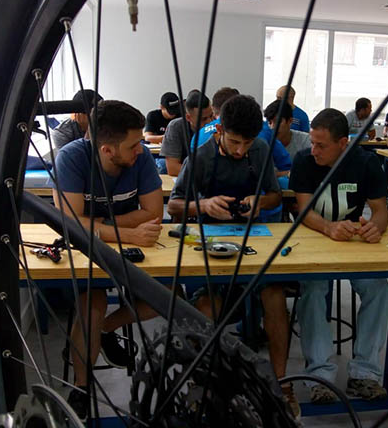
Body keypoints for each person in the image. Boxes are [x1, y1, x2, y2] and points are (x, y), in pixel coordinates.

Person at [167, 95, 299, 417]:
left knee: (274, 295)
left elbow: (274, 194)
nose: (241, 151)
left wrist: (260, 202)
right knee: (205, 308)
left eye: (248, 143)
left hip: (253, 240)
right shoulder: (200, 157)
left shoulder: (261, 150)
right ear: (219, 130)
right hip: (210, 247)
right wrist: (204, 206)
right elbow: (174, 205)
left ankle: (280, 384)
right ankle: (205, 386)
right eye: (235, 142)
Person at [52, 100, 164, 419]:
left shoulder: (138, 158)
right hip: (87, 253)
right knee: (91, 305)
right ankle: (81, 387)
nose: (140, 150)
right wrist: (127, 230)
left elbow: (154, 214)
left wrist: (95, 226)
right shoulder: (72, 157)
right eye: (133, 144)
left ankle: (105, 329)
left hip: (129, 251)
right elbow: (70, 224)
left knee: (165, 298)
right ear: (106, 150)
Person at [289, 108, 388, 404]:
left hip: (353, 242)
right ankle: (320, 376)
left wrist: (375, 229)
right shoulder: (304, 161)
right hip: (316, 241)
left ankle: (365, 374)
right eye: (312, 142)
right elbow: (304, 210)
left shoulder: (367, 163)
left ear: (343, 142)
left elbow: (381, 210)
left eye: (322, 145)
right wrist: (329, 227)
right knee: (313, 289)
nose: (314, 150)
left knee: (378, 288)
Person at [160, 90, 214, 176]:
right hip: (189, 179)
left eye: (211, 116)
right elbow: (172, 168)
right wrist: (206, 174)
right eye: (203, 119)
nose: (210, 121)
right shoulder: (176, 127)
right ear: (188, 117)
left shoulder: (217, 125)